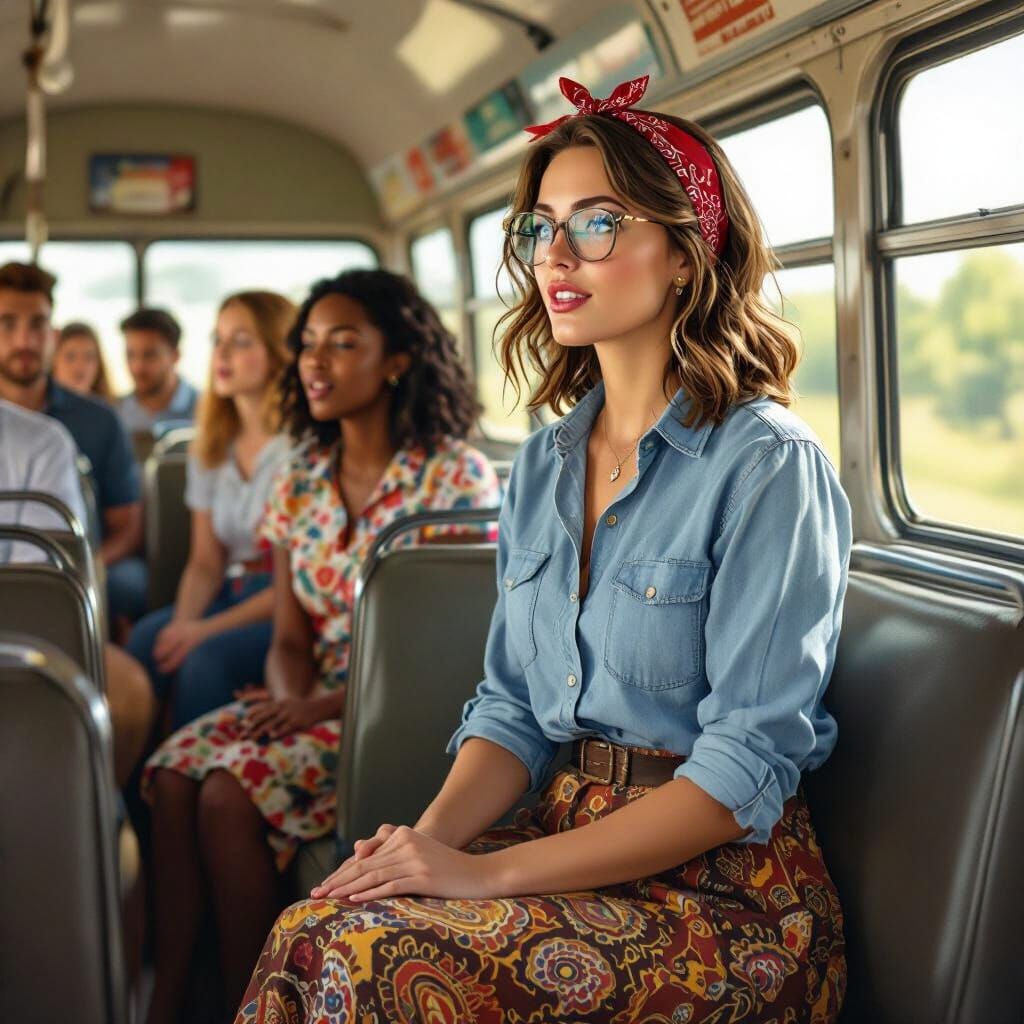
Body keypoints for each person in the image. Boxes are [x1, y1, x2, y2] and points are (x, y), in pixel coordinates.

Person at [236, 76, 853, 1024]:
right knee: (316, 924)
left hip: (721, 896)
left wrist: (487, 879)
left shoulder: (766, 465)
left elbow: (742, 770)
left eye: (597, 224)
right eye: (539, 228)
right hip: (564, 832)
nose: (555, 255)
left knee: (366, 961)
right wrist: (418, 850)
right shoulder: (543, 465)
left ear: (686, 255)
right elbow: (515, 708)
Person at [141, 269, 501, 1023]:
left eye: (342, 344)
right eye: (307, 345)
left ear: (396, 358)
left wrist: (316, 708)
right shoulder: (300, 477)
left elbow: (452, 654)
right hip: (310, 699)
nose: (315, 363)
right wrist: (285, 698)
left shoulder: (453, 475)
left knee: (224, 791)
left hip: (406, 710)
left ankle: (257, 999)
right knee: (172, 770)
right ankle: (174, 990)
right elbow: (288, 636)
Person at [126, 291, 295, 730]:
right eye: (217, 339)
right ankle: (130, 788)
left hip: (286, 604)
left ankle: (188, 779)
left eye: (240, 341)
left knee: (204, 659)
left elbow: (294, 583)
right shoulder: (212, 446)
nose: (221, 353)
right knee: (149, 639)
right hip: (228, 590)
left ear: (280, 353)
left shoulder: (302, 449)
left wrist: (200, 634)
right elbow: (205, 561)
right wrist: (183, 624)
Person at [0, 396, 155, 787]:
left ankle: (89, 821)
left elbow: (36, 581)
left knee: (127, 691)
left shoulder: (40, 440)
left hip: (16, 632)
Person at [0, 261, 148, 629]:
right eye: (7, 324)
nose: (23, 341)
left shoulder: (99, 421)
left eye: (36, 324)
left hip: (80, 559)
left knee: (125, 584)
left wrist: (90, 562)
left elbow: (127, 524)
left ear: (53, 333)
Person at [118, 307, 199, 435]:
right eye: (130, 355)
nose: (138, 367)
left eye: (150, 355)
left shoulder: (207, 412)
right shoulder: (117, 412)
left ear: (175, 355)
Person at [53, 321, 115, 401]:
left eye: (89, 357)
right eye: (70, 356)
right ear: (54, 360)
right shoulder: (37, 409)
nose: (79, 365)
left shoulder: (110, 410)